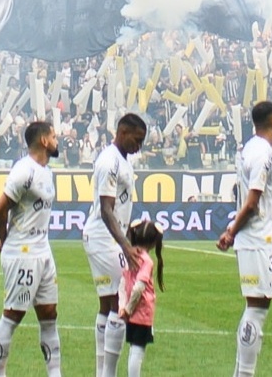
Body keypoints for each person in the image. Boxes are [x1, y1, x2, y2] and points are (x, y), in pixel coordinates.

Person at [219, 99, 272, 377]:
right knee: (257, 308)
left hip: (256, 238)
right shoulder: (262, 154)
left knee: (256, 305)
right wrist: (232, 231)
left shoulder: (251, 148)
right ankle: (245, 373)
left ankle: (241, 373)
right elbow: (252, 202)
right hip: (260, 239)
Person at [0, 118, 64, 377]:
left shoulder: (47, 171)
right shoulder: (24, 171)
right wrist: (5, 238)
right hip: (22, 251)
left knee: (49, 314)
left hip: (42, 250)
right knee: (13, 315)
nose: (57, 141)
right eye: (54, 136)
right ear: (44, 140)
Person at [87, 113, 149, 377]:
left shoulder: (121, 160)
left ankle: (102, 372)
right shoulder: (109, 162)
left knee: (107, 303)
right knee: (121, 304)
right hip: (105, 239)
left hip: (104, 238)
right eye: (137, 139)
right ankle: (108, 373)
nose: (140, 146)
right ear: (123, 132)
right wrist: (125, 244)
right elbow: (106, 209)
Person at [118, 219, 163, 377]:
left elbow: (123, 283)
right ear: (152, 242)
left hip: (130, 311)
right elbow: (139, 287)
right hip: (142, 312)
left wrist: (122, 307)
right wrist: (129, 309)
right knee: (138, 350)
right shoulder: (147, 261)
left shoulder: (130, 256)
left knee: (133, 349)